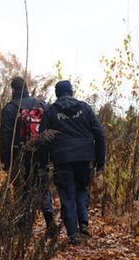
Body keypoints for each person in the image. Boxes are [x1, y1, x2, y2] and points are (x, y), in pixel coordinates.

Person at [39, 80, 106, 244]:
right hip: (85, 158)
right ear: (71, 91)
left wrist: (43, 163)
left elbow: (43, 139)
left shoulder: (51, 111)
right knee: (82, 189)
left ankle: (72, 233)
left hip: (62, 160)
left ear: (57, 93)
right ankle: (83, 223)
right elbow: (100, 134)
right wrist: (100, 161)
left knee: (67, 194)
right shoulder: (85, 108)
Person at [0, 76, 54, 229]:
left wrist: (5, 161)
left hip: (20, 155)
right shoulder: (42, 104)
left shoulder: (10, 108)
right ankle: (50, 221)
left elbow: (5, 137)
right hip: (41, 154)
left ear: (13, 90)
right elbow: (51, 129)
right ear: (27, 88)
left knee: (21, 188)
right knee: (42, 187)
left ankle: (23, 225)